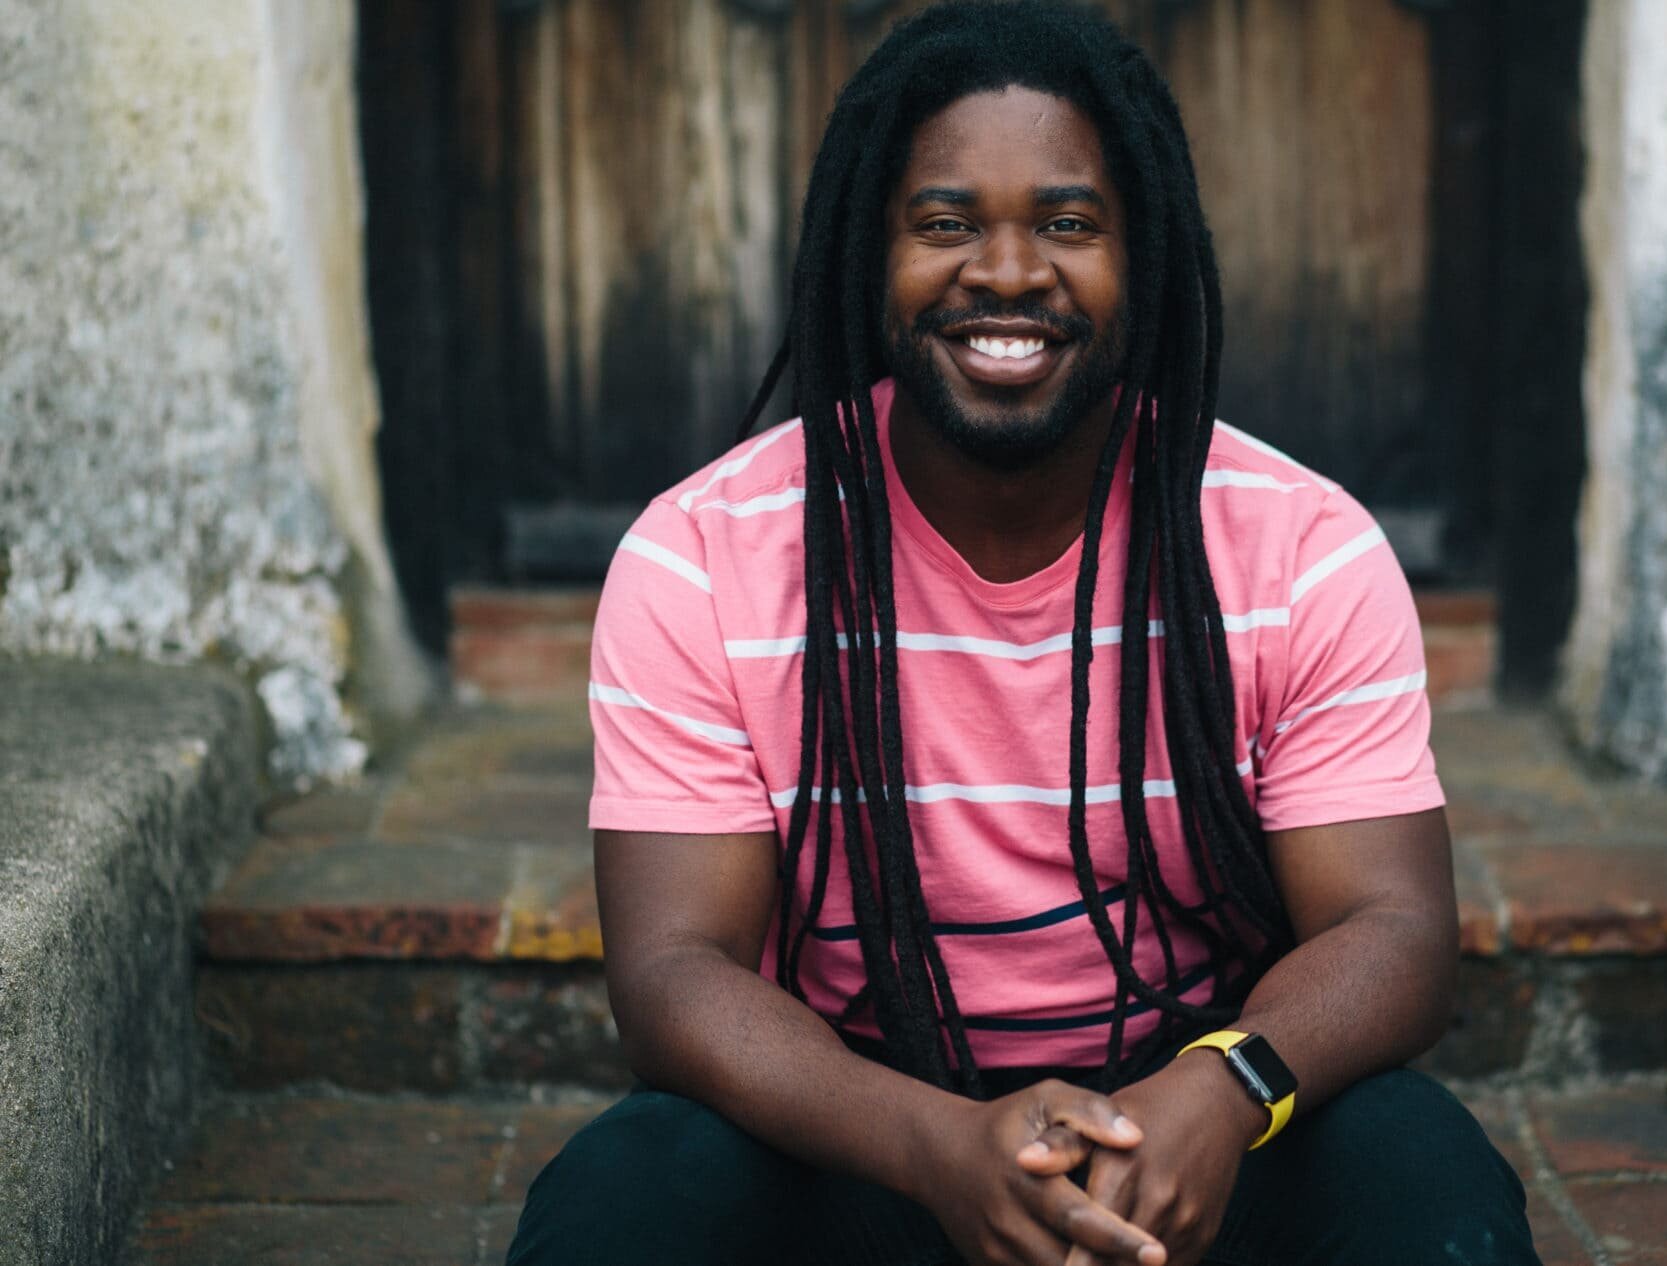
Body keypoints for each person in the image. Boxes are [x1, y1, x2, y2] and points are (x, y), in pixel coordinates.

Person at [507, 3, 1540, 1263]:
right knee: (623, 1197)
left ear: (1142, 254)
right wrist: (938, 1148)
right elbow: (672, 975)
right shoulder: (709, 556)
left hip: (1191, 1125)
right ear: (863, 252)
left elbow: (1393, 931)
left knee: (1424, 1184)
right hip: (867, 1125)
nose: (1005, 273)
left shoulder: (1298, 545)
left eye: (1068, 223)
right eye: (944, 224)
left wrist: (1220, 1092)